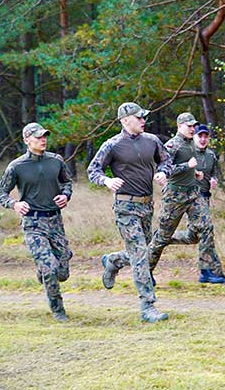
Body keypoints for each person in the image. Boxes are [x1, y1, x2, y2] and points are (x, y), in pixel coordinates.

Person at [87, 102, 172, 323]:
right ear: (126, 121)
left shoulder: (152, 141)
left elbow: (166, 160)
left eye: (144, 117)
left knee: (141, 252)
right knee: (141, 255)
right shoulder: (112, 145)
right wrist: (106, 180)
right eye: (139, 117)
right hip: (125, 207)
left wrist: (163, 173)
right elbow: (92, 170)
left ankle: (114, 260)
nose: (144, 121)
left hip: (147, 205)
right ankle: (148, 306)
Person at [0, 123, 73, 322]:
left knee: (62, 272)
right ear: (27, 140)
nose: (43, 140)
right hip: (33, 223)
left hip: (55, 221)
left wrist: (65, 195)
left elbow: (67, 183)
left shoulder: (56, 161)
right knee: (50, 268)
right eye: (38, 137)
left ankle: (43, 271)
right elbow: (0, 193)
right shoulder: (17, 166)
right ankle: (58, 309)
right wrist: (14, 204)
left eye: (45, 136)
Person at [148, 113, 225, 284]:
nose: (192, 129)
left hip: (193, 193)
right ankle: (145, 272)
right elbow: (163, 169)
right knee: (163, 237)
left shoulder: (191, 144)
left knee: (206, 227)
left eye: (194, 126)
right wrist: (188, 166)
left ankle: (207, 271)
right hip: (174, 196)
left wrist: (196, 173)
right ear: (180, 126)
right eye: (189, 126)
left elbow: (191, 166)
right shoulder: (172, 145)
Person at [169, 124, 225, 282]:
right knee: (206, 231)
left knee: (194, 236)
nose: (203, 139)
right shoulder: (188, 152)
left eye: (206, 136)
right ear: (193, 137)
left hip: (204, 198)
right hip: (188, 199)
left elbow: (214, 174)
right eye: (199, 136)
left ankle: (165, 237)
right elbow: (171, 169)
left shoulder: (211, 155)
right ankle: (209, 272)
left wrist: (214, 180)